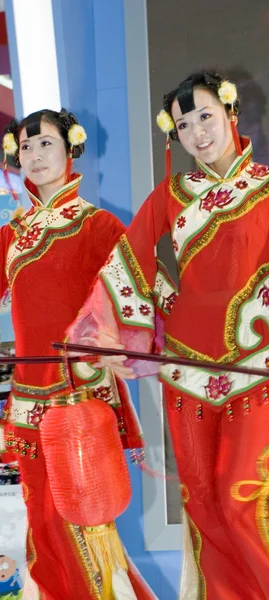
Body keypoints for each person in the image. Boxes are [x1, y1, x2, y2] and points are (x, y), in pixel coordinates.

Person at [68, 71, 269, 599]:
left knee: (242, 498)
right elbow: (128, 262)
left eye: (205, 116)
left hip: (252, 363)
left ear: (231, 114)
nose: (197, 133)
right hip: (184, 371)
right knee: (204, 504)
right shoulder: (171, 193)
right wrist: (121, 340)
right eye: (184, 125)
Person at [0, 109, 155, 600]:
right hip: (28, 400)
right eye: (25, 147)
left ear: (70, 150)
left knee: (84, 518)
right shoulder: (12, 234)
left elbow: (144, 293)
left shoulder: (97, 225)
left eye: (45, 144)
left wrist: (117, 344)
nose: (34, 155)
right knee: (42, 522)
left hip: (79, 392)